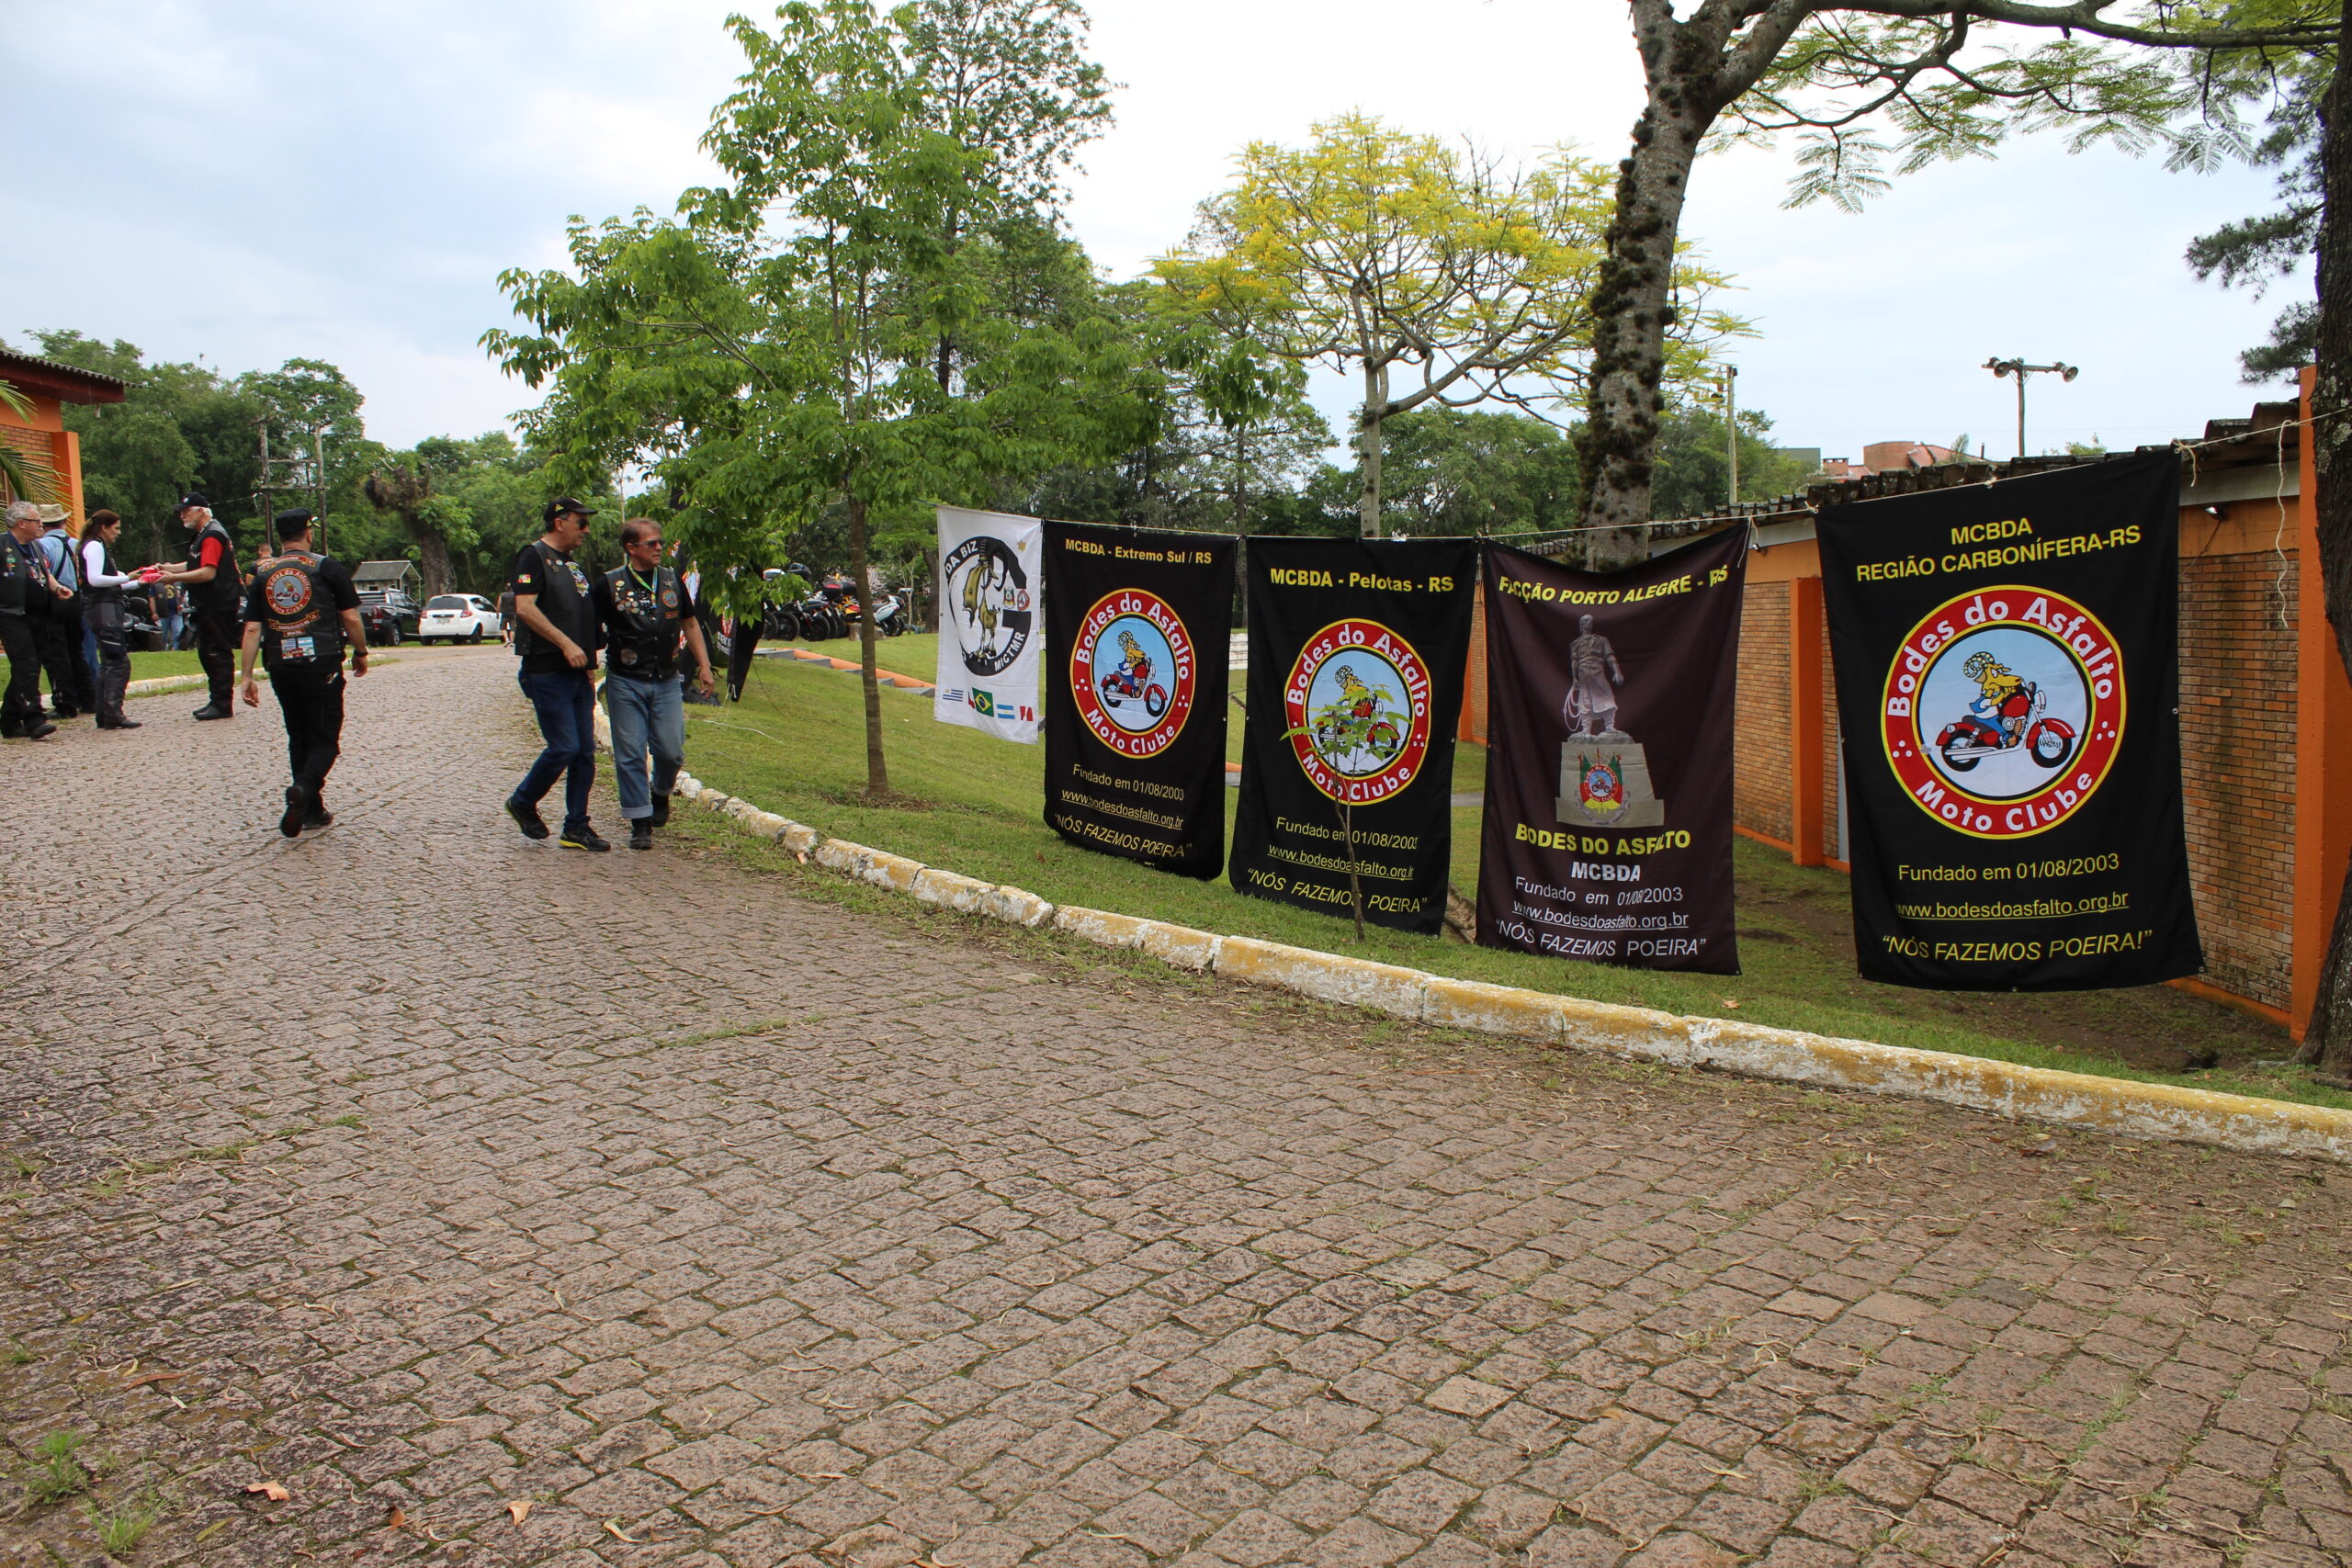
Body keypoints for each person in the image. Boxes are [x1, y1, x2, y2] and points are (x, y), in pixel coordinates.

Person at [237, 510, 366, 835]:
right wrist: (361, 652)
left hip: (281, 664)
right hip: (321, 662)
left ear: (280, 538)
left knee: (298, 736)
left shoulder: (263, 574)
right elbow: (351, 617)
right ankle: (304, 789)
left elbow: (252, 628)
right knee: (325, 740)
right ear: (308, 533)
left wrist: (246, 675)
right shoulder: (327, 567)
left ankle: (311, 810)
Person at [596, 518, 715, 851]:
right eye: (651, 543)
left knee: (671, 751)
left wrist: (705, 667)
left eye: (660, 541)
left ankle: (660, 791)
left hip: (665, 679)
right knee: (630, 754)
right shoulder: (609, 584)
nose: (659, 547)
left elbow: (690, 623)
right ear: (631, 548)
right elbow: (591, 626)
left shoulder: (671, 580)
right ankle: (640, 821)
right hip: (625, 680)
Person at [504, 497, 608, 851]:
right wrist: (565, 644)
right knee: (564, 746)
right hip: (547, 669)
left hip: (578, 672)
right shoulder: (533, 556)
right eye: (581, 522)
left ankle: (576, 827)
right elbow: (525, 608)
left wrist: (589, 661)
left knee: (584, 753)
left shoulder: (570, 563)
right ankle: (522, 801)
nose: (586, 530)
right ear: (560, 522)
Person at [153, 492, 242, 719]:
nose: (181, 516)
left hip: (217, 602)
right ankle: (217, 699)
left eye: (186, 511)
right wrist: (168, 568)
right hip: (211, 602)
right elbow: (196, 563)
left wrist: (172, 578)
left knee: (217, 652)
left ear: (201, 511)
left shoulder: (211, 535)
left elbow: (207, 572)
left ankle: (222, 703)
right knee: (208, 651)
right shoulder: (204, 534)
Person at [77, 510, 143, 729]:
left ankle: (105, 713)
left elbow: (108, 583)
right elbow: (95, 579)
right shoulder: (95, 546)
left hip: (101, 607)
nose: (118, 532)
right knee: (117, 662)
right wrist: (126, 577)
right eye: (116, 528)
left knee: (109, 662)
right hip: (104, 609)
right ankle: (113, 712)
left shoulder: (94, 546)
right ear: (104, 528)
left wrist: (139, 582)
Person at [28, 504, 96, 720]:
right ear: (64, 522)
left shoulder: (41, 545)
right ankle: (88, 698)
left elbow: (42, 574)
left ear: (43, 525)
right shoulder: (77, 544)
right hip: (75, 599)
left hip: (54, 599)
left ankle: (65, 702)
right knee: (77, 650)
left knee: (56, 653)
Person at [2, 501, 62, 740]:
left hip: (38, 615)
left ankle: (9, 720)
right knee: (26, 665)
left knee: (29, 666)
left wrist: (57, 588)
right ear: (21, 523)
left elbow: (44, 573)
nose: (41, 525)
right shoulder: (3, 546)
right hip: (11, 615)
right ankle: (34, 720)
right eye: (37, 521)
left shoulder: (36, 546)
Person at [154, 581, 186, 651]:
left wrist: (181, 604)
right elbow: (152, 599)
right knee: (162, 634)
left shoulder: (179, 583)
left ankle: (177, 650)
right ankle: (161, 650)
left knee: (178, 632)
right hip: (162, 614)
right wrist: (154, 613)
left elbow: (182, 596)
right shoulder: (157, 584)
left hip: (176, 613)